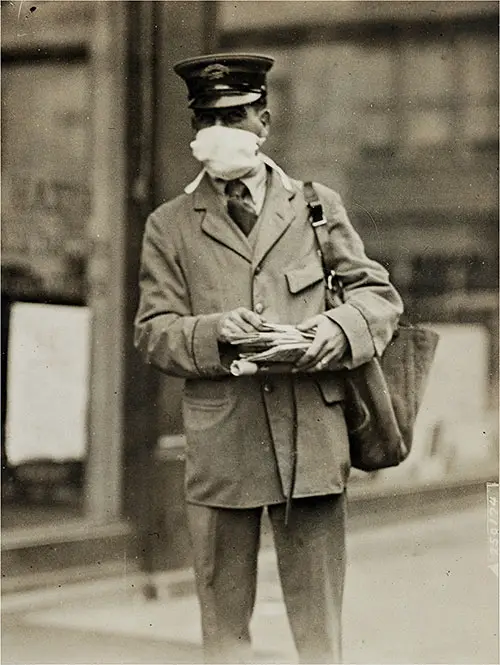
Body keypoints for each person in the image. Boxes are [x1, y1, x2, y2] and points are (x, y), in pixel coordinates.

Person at [134, 52, 403, 664]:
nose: (221, 132)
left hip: (311, 439)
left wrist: (332, 332)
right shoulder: (170, 225)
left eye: (236, 116)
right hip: (224, 447)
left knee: (320, 634)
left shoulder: (315, 204)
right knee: (224, 632)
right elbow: (153, 333)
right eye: (208, 119)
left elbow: (378, 296)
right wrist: (216, 330)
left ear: (265, 122)